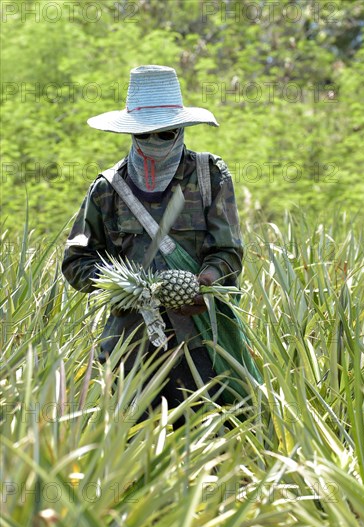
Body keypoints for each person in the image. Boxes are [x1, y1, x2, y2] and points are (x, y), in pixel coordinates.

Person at [62, 65, 244, 425]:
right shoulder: (108, 189)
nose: (156, 142)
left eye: (166, 134)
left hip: (202, 343)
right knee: (135, 451)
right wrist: (123, 287)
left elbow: (229, 252)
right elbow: (76, 261)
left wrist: (203, 282)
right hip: (130, 346)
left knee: (213, 444)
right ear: (131, 134)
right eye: (146, 134)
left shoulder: (210, 175)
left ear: (181, 129)